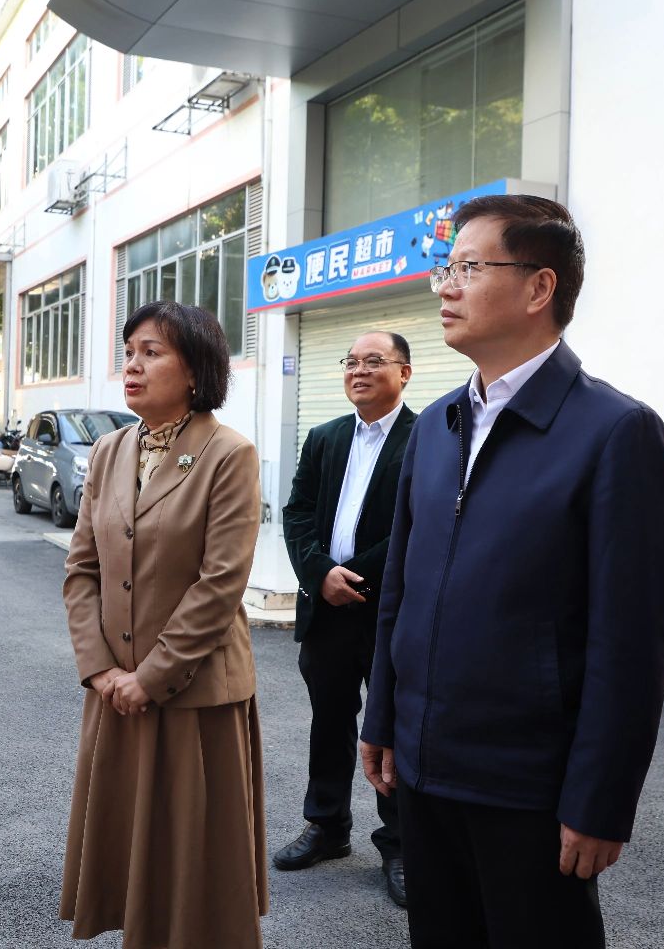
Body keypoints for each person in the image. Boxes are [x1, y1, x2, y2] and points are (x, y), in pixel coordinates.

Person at [359, 194, 664, 949]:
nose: (445, 287)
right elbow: (400, 591)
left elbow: (633, 641)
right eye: (447, 269)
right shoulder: (437, 425)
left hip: (529, 783)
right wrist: (383, 719)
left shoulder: (617, 432)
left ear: (540, 287)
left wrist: (601, 799)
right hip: (424, 766)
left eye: (468, 268)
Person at [61, 300, 267, 948]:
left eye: (151, 353)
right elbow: (82, 569)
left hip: (192, 694)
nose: (132, 365)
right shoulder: (109, 451)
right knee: (131, 851)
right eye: (129, 352)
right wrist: (100, 669)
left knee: (194, 863)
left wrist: (149, 678)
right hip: (116, 692)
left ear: (196, 370)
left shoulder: (229, 454)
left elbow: (219, 584)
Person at [275, 329, 414, 906]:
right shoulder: (325, 437)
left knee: (393, 727)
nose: (359, 370)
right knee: (329, 720)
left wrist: (350, 576)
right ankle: (327, 826)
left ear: (404, 372)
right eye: (351, 361)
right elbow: (298, 512)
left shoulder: (427, 437)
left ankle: (401, 844)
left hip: (387, 611)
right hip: (327, 611)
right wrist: (319, 575)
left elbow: (417, 525)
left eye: (373, 360)